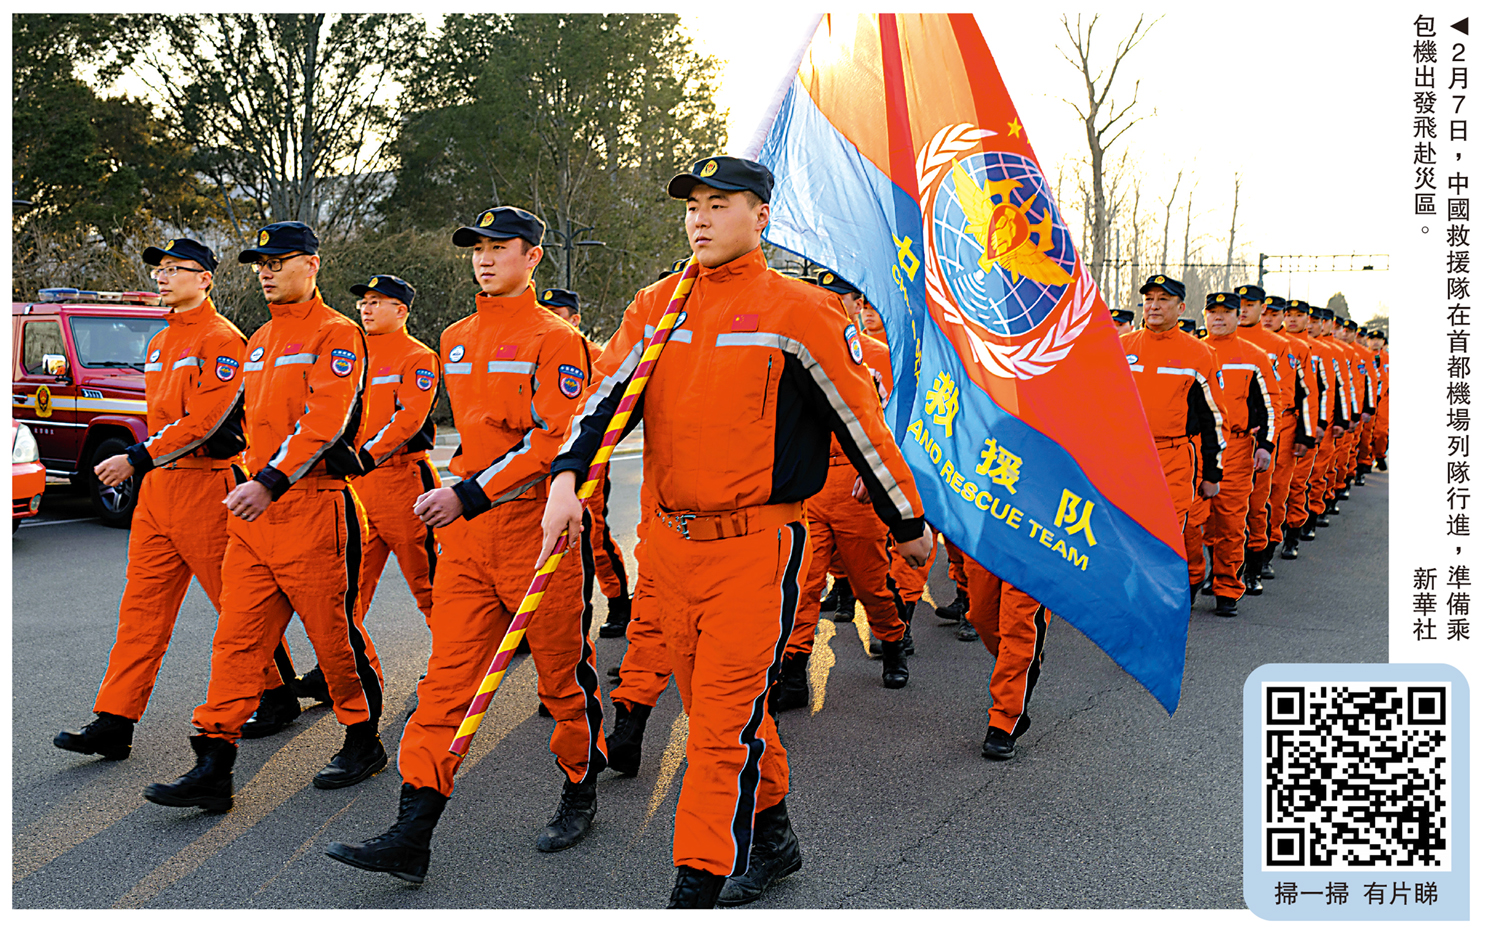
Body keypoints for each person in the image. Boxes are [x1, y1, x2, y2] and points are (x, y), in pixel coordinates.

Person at [541, 156, 931, 908]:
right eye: (693, 204)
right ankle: (775, 839)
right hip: (672, 549)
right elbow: (603, 398)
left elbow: (861, 423)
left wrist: (905, 519)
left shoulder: (801, 311)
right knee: (729, 712)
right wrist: (566, 476)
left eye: (720, 204)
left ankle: (697, 881)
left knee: (719, 729)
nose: (700, 217)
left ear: (761, 217)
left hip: (757, 549)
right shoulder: (658, 304)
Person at [325, 207, 607, 884]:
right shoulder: (455, 337)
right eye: (477, 248)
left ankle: (581, 783)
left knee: (562, 679)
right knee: (444, 684)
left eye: (500, 247)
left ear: (532, 257)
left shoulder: (557, 340)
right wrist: (462, 495)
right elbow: (473, 437)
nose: (485, 257)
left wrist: (470, 492)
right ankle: (412, 830)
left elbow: (555, 441)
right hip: (471, 540)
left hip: (538, 534)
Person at [143, 221, 387, 812]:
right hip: (257, 515)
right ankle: (213, 761)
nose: (267, 271)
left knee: (334, 639)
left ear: (313, 264)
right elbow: (254, 425)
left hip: (313, 505)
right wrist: (257, 482)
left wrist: (271, 480)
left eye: (279, 261)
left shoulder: (338, 333)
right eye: (261, 263)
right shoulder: (259, 340)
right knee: (236, 641)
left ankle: (363, 739)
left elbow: (324, 420)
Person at [54, 238, 277, 758]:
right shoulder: (159, 341)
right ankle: (115, 720)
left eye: (176, 269)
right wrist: (147, 462)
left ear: (205, 279)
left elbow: (206, 421)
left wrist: (135, 457)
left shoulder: (224, 340)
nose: (162, 276)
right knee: (141, 611)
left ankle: (275, 691)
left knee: (238, 606)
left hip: (207, 485)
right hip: (159, 491)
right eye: (160, 269)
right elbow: (161, 417)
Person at [782, 269, 915, 708]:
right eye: (824, 295)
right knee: (803, 584)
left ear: (857, 303)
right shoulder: (800, 346)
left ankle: (893, 643)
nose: (831, 304)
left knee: (871, 582)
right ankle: (794, 672)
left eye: (841, 297)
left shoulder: (878, 354)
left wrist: (877, 473)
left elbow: (898, 420)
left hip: (858, 484)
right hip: (812, 485)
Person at [1120, 276, 1226, 606]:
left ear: (1180, 308)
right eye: (1149, 299)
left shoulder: (1199, 354)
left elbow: (1213, 419)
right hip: (1128, 456)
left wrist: (1212, 473)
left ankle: (1159, 602)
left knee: (1165, 535)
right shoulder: (1121, 347)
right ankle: (1131, 599)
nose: (1154, 306)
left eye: (1163, 299)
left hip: (1174, 458)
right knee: (1127, 531)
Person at [537, 287, 634, 639]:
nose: (550, 318)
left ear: (575, 319)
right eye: (545, 311)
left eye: (558, 313)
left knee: (592, 537)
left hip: (586, 460)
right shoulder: (536, 351)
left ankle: (618, 601)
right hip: (540, 463)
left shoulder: (595, 356)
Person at [1199, 293, 1275, 617]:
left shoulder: (1253, 356)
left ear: (1237, 316)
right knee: (1197, 522)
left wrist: (1266, 445)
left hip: (1237, 448)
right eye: (1213, 312)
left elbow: (1270, 405)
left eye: (1226, 312)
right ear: (1204, 315)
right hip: (1198, 448)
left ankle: (1227, 588)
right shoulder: (1193, 351)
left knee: (1231, 522)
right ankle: (1199, 577)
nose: (1218, 317)